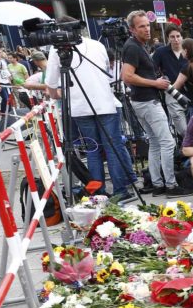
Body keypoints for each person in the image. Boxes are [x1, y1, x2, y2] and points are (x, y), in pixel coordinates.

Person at [45, 17, 136, 202]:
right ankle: (120, 189)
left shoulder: (57, 50)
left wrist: (59, 93)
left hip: (80, 107)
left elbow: (51, 84)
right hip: (105, 103)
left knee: (93, 150)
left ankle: (98, 192)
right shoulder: (96, 45)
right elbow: (105, 71)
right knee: (113, 148)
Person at [121, 10, 185, 196]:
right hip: (147, 102)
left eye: (148, 25)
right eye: (142, 26)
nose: (147, 29)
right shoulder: (133, 47)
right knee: (167, 143)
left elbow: (128, 74)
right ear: (132, 29)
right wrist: (155, 83)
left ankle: (158, 184)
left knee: (156, 143)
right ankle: (171, 186)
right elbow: (127, 76)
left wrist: (154, 80)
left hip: (142, 101)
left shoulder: (136, 46)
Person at [152, 26, 189, 137]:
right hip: (172, 92)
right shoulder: (161, 52)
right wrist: (159, 81)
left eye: (178, 36)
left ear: (182, 37)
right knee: (183, 129)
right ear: (168, 38)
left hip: (191, 91)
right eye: (172, 37)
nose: (176, 39)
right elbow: (152, 69)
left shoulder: (188, 50)